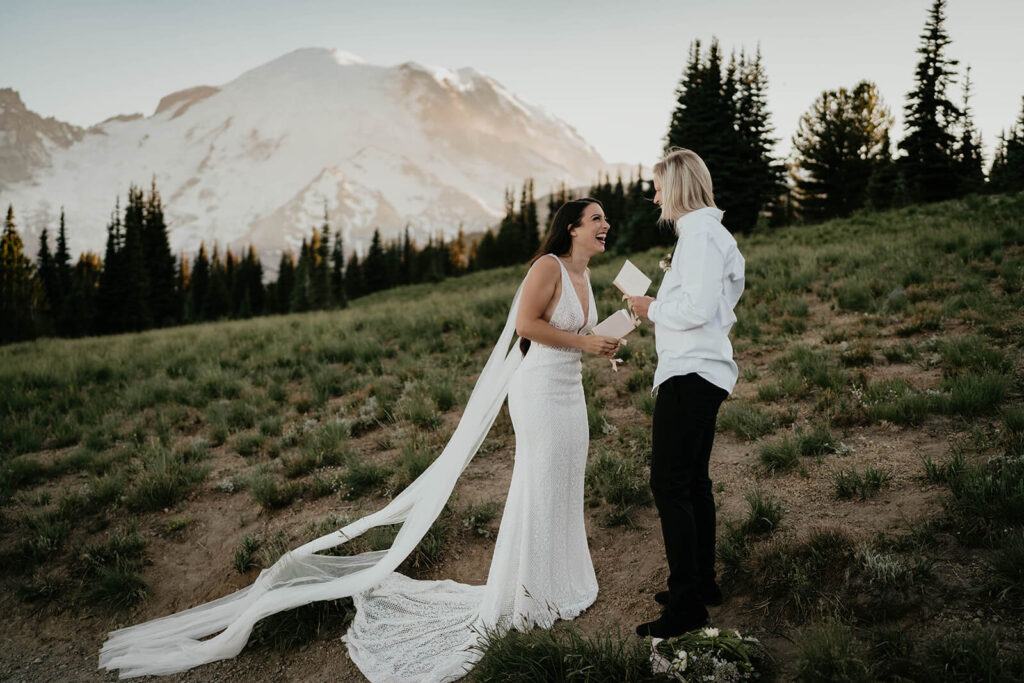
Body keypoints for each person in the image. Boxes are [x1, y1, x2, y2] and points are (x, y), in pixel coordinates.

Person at [99, 199, 620, 682]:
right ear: (571, 227)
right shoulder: (547, 267)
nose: (605, 226)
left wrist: (610, 340)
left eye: (605, 219)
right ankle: (527, 593)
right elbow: (526, 326)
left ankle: (558, 583)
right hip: (537, 395)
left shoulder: (586, 273)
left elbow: (578, 335)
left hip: (570, 393)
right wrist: (583, 341)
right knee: (539, 483)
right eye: (596, 218)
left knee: (565, 482)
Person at [627, 148, 745, 639]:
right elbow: (722, 300)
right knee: (693, 482)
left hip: (690, 373)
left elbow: (696, 309)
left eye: (658, 187)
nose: (654, 197)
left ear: (676, 187)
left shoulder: (698, 236)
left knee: (669, 485)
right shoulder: (712, 235)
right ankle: (701, 583)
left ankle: (686, 606)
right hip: (705, 370)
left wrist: (651, 307)